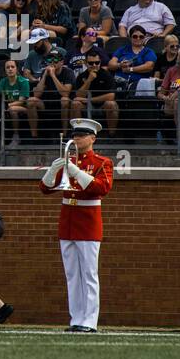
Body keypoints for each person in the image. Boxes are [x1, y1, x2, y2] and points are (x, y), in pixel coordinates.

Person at [39, 118, 114, 333]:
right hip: (68, 220)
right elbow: (44, 189)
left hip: (88, 221)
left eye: (81, 135)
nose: (76, 139)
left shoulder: (102, 162)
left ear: (92, 138)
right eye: (75, 135)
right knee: (72, 275)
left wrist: (75, 172)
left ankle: (89, 321)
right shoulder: (68, 160)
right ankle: (76, 318)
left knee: (89, 274)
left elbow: (102, 188)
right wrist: (53, 171)